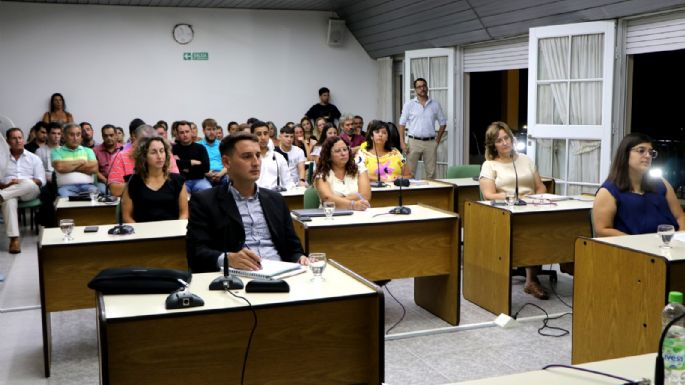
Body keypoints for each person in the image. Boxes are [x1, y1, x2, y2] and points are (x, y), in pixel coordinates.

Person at [186, 132, 308, 273]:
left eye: (258, 155)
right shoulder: (205, 201)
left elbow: (294, 248)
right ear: (226, 162)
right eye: (247, 156)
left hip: (280, 273)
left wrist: (300, 258)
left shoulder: (275, 199)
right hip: (238, 277)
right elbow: (196, 252)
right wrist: (227, 259)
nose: (256, 162)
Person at [479, 121, 548, 300]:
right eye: (499, 140)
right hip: (505, 211)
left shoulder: (525, 159)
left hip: (530, 208)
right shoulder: (490, 165)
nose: (505, 143)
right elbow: (488, 194)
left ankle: (531, 280)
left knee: (541, 231)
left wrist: (536, 199)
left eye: (507, 138)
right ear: (493, 145)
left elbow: (540, 187)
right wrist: (511, 198)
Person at [593, 133, 685, 236]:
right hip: (633, 249)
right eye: (641, 151)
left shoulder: (661, 183)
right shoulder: (608, 191)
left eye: (651, 153)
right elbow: (602, 230)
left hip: (668, 245)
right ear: (625, 153)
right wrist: (637, 244)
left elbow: (680, 216)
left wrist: (680, 238)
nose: (648, 156)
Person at [122, 137, 188, 223]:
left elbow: (184, 214)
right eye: (153, 152)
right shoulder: (133, 181)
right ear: (144, 156)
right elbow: (127, 217)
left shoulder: (177, 180)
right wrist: (140, 234)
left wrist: (175, 230)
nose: (159, 156)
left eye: (162, 151)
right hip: (143, 233)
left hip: (172, 232)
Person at [0, 128, 45, 253]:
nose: (18, 141)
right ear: (8, 141)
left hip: (29, 192)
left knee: (29, 183)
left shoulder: (33, 158)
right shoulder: (1, 159)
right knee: (8, 201)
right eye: (14, 138)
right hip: (8, 190)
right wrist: (7, 185)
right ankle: (14, 240)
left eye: (20, 137)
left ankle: (1, 196)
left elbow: (41, 180)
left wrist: (21, 183)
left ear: (23, 139)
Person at [108, 124, 180, 196]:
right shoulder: (121, 157)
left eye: (152, 140)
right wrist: (148, 184)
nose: (148, 145)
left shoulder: (164, 155)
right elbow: (115, 190)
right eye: (144, 141)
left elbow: (176, 184)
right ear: (134, 139)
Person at [398, 78, 447, 179]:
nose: (422, 88)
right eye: (419, 87)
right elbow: (402, 124)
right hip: (413, 142)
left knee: (431, 173)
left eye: (424, 86)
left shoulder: (435, 105)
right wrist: (402, 142)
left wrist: (437, 140)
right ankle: (410, 194)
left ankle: (431, 194)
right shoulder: (409, 105)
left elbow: (443, 123)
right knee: (409, 172)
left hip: (430, 142)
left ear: (427, 87)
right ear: (415, 90)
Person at [314, 136, 371, 210]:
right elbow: (327, 199)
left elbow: (365, 195)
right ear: (329, 156)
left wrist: (337, 200)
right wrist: (353, 205)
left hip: (358, 214)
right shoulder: (322, 175)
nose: (343, 153)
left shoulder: (360, 169)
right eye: (337, 151)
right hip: (331, 216)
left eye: (345, 149)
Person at [51, 123, 99, 196]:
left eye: (78, 134)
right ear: (64, 136)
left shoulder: (88, 150)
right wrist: (81, 162)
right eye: (71, 135)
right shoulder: (56, 151)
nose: (75, 138)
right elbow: (60, 167)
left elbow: (94, 168)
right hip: (65, 187)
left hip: (88, 186)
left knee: (94, 198)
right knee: (66, 200)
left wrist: (68, 167)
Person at [252, 121, 292, 190]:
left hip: (274, 197)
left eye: (265, 133)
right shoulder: (248, 159)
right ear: (252, 136)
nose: (263, 137)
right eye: (259, 134)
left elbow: (288, 183)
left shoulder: (278, 157)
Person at [173, 121, 211, 193]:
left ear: (191, 132)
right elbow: (172, 165)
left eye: (187, 131)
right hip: (182, 181)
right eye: (182, 132)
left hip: (199, 180)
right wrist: (191, 162)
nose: (185, 134)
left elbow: (206, 168)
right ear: (177, 134)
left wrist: (184, 167)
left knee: (208, 191)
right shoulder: (173, 149)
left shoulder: (200, 148)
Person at [93, 124, 123, 191]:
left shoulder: (123, 149)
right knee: (103, 191)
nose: (109, 138)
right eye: (106, 136)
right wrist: (106, 181)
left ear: (116, 135)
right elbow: (95, 171)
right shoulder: (95, 151)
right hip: (103, 182)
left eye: (111, 135)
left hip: (120, 181)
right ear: (102, 136)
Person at [200, 118, 228, 186]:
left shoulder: (222, 144)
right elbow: (196, 165)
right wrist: (206, 173)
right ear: (203, 131)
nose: (212, 132)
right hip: (205, 175)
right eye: (209, 129)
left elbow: (228, 164)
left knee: (229, 181)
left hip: (222, 174)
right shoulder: (198, 145)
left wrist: (220, 174)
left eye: (214, 129)